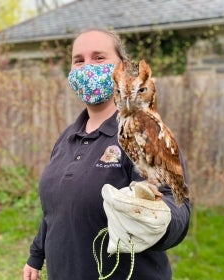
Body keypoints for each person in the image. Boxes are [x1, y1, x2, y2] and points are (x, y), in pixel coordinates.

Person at [23, 28, 190, 280]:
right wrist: (36, 256)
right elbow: (56, 207)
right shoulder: (68, 137)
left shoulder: (142, 130)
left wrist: (160, 220)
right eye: (79, 60)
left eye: (99, 58)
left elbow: (177, 204)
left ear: (120, 68)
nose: (87, 67)